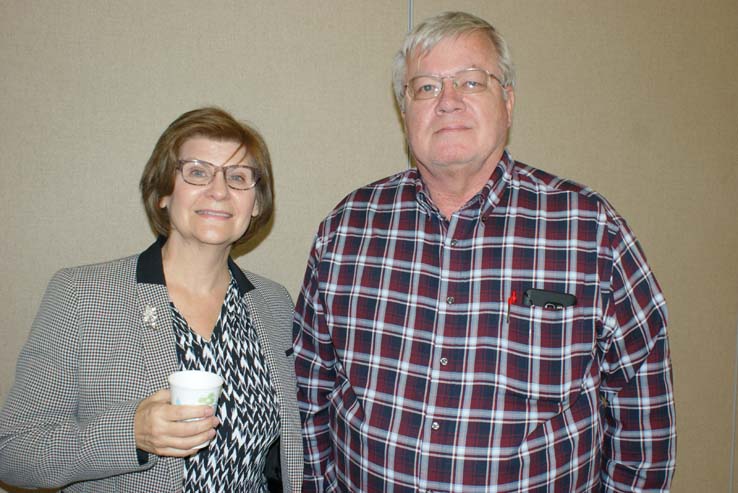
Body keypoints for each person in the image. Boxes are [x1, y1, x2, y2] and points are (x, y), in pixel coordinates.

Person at [293, 11, 675, 492]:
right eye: (426, 88)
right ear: (404, 110)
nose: (447, 101)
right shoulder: (346, 229)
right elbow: (310, 393)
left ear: (508, 102)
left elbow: (644, 420)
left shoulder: (590, 230)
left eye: (471, 82)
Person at [0, 107, 302, 492]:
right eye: (197, 172)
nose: (219, 190)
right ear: (163, 192)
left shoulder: (274, 304)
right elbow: (12, 452)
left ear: (256, 204)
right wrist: (131, 435)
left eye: (239, 177)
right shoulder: (83, 295)